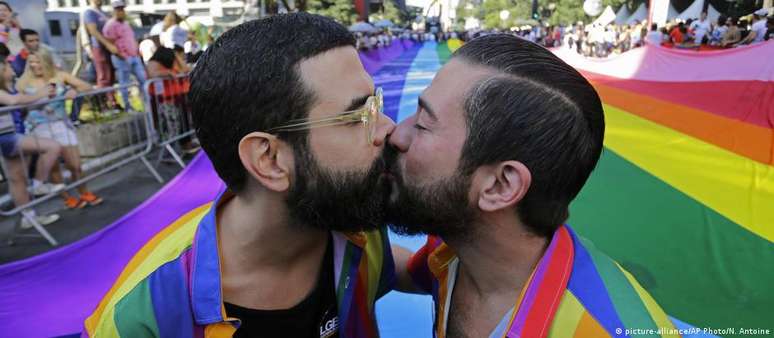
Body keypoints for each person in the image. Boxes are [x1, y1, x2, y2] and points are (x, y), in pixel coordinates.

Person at [83, 13, 397, 337]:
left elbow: (411, 267)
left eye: (378, 102)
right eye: (359, 115)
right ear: (269, 159)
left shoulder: (355, 226)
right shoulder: (140, 317)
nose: (390, 129)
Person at [386, 34, 678, 338]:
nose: (396, 133)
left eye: (422, 124)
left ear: (500, 186)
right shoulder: (457, 250)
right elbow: (408, 271)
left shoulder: (606, 330)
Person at [17, 49, 103, 209]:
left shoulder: (60, 75)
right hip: (38, 128)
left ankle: (84, 192)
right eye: (32, 62)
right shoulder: (22, 82)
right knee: (53, 167)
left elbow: (87, 87)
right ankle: (67, 198)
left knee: (75, 164)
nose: (35, 65)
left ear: (46, 61)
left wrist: (73, 91)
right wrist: (34, 101)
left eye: (38, 61)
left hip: (61, 124)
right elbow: (17, 106)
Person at [0, 59, 64, 229]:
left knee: (17, 179)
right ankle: (38, 185)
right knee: (52, 146)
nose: (11, 69)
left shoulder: (9, 89)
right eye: (7, 66)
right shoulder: (4, 92)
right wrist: (40, 93)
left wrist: (46, 97)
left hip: (14, 134)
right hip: (7, 138)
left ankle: (29, 217)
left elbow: (23, 105)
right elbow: (15, 101)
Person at [101, 0, 146, 111]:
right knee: (124, 83)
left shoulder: (126, 24)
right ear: (114, 11)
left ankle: (147, 104)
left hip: (134, 56)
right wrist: (120, 55)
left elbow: (131, 39)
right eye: (118, 9)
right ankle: (127, 106)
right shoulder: (110, 25)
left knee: (143, 80)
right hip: (121, 58)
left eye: (122, 9)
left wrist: (137, 51)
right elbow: (109, 43)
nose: (121, 12)